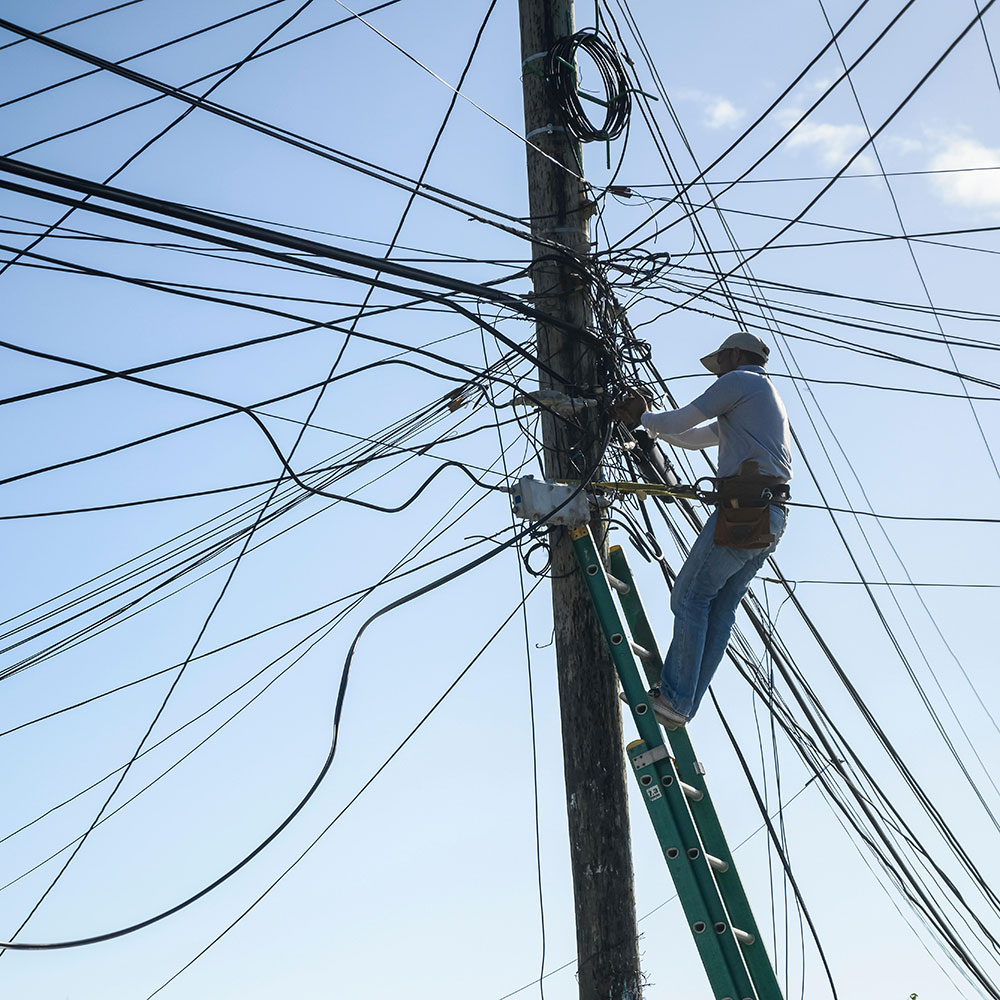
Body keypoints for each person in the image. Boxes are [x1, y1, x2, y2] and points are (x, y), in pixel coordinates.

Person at [612, 331, 792, 728]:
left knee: (691, 595)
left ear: (733, 355)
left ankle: (676, 698)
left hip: (745, 507)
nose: (717, 372)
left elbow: (683, 419)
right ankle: (683, 704)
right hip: (771, 515)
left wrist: (643, 414)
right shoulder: (760, 398)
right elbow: (691, 438)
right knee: (719, 606)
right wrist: (648, 425)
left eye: (720, 362)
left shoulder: (739, 382)